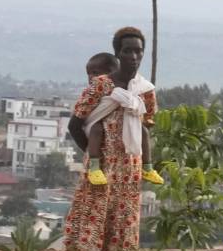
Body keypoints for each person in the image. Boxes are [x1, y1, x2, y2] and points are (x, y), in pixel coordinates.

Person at [63, 27, 158, 251]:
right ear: (118, 53)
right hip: (101, 166)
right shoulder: (101, 85)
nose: (134, 57)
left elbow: (146, 123)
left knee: (123, 214)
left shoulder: (144, 90)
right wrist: (92, 154)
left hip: (130, 167)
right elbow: (75, 125)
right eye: (127, 51)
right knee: (93, 210)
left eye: (138, 51)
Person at [69, 52, 163, 187]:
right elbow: (78, 121)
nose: (91, 77)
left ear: (112, 73)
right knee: (97, 128)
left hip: (124, 157)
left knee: (143, 131)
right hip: (95, 128)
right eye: (88, 73)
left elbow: (144, 112)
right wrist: (90, 151)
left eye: (95, 73)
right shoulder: (95, 90)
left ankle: (147, 166)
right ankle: (95, 166)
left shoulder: (133, 90)